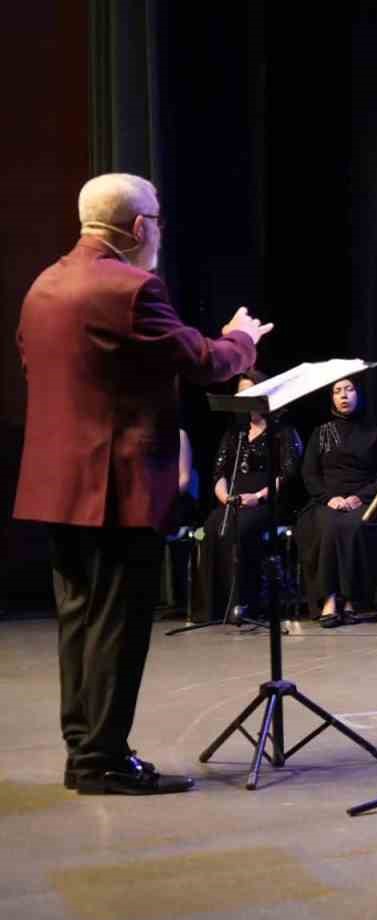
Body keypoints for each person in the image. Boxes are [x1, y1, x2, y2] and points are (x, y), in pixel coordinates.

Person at [14, 172, 267, 794]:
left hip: (60, 486)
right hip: (115, 488)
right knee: (118, 628)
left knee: (80, 624)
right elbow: (203, 361)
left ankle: (85, 752)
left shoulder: (43, 285)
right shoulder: (130, 288)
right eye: (156, 221)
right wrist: (242, 338)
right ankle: (103, 762)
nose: (159, 232)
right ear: (137, 227)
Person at [193, 370, 305, 622]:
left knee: (242, 528)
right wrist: (225, 497)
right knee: (212, 527)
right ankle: (215, 607)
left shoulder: (282, 431)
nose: (244, 397)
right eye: (240, 393)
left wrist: (258, 496)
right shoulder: (235, 433)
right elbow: (219, 472)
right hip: (234, 500)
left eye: (250, 391)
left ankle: (243, 604)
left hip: (268, 501)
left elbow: (287, 474)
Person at [296, 377, 377, 627]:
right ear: (331, 398)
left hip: (364, 498)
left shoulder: (375, 433)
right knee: (328, 525)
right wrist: (330, 498)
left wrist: (359, 498)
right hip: (327, 500)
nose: (343, 395)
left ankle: (352, 600)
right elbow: (309, 473)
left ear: (358, 394)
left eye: (349, 390)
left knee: (353, 526)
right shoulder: (321, 432)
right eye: (337, 391)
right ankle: (329, 599)